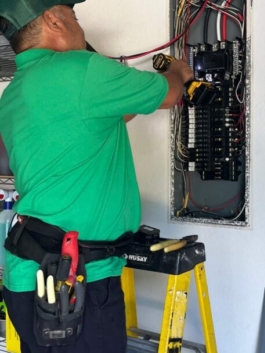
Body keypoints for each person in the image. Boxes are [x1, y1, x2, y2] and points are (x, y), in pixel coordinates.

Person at [0, 1, 193, 352]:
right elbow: (169, 94)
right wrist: (180, 72)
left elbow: (105, 121)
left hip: (28, 275)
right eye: (73, 15)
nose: (79, 24)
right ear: (52, 19)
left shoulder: (16, 91)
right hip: (74, 284)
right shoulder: (81, 69)